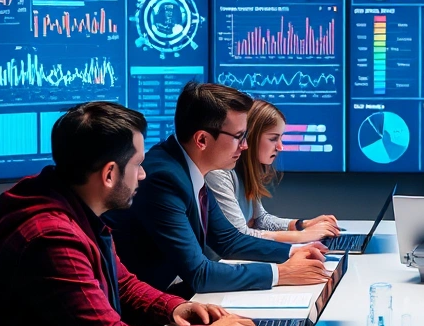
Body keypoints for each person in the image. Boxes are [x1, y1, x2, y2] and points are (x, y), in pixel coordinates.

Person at [0, 102, 261, 326]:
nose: (143, 175)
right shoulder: (53, 238)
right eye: (138, 164)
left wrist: (175, 308)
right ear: (110, 174)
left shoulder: (76, 210)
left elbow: (123, 283)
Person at [107, 82, 329, 297]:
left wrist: (294, 251)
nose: (245, 145)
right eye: (239, 137)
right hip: (143, 306)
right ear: (202, 139)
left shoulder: (189, 168)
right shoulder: (164, 179)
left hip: (168, 292)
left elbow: (229, 240)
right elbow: (199, 274)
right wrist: (283, 273)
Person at [205, 99, 341, 243]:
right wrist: (302, 236)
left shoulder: (246, 171)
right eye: (273, 139)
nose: (280, 147)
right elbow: (240, 234)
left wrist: (302, 225)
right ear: (251, 137)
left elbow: (260, 219)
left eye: (281, 138)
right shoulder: (219, 172)